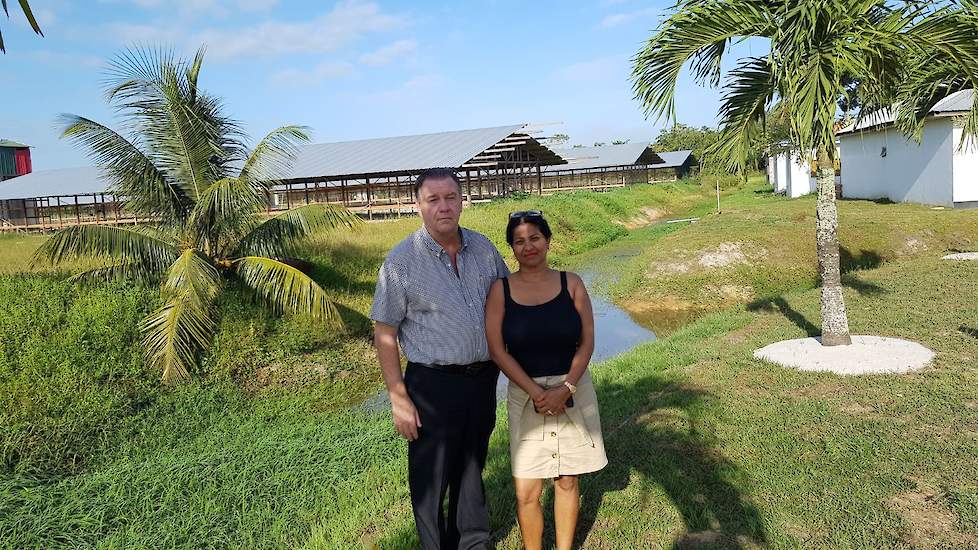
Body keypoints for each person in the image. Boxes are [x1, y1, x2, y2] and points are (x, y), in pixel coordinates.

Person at [370, 167, 510, 550]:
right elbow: (385, 332)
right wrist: (399, 400)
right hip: (432, 385)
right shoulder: (400, 262)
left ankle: (474, 542)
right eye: (433, 199)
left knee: (470, 466)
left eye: (451, 197)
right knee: (432, 478)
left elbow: (507, 304)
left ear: (463, 200)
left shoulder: (484, 249)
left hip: (482, 380)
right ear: (417, 205)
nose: (444, 207)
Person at [484, 210, 608, 550]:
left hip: (572, 388)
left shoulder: (572, 283)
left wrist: (566, 387)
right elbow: (498, 350)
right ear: (511, 248)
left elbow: (588, 340)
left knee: (567, 480)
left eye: (534, 238)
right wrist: (538, 391)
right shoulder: (501, 290)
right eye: (519, 241)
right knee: (527, 490)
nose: (528, 247)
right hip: (527, 396)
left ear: (548, 241)